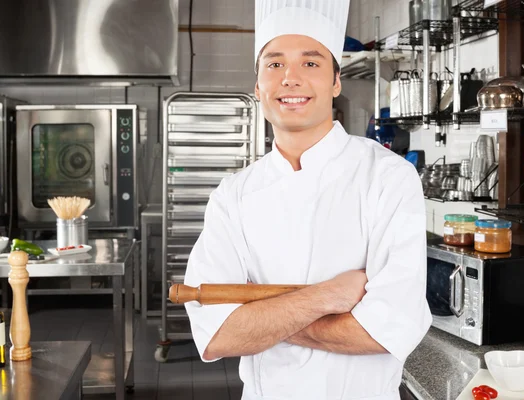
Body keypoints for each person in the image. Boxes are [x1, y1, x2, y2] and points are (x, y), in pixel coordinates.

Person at [184, 1, 432, 399]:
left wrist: (261, 321)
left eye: (311, 63)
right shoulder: (234, 194)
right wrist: (329, 296)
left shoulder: (388, 177)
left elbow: (387, 329)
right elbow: (217, 336)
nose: (290, 79)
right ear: (258, 85)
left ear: (336, 81)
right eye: (275, 64)